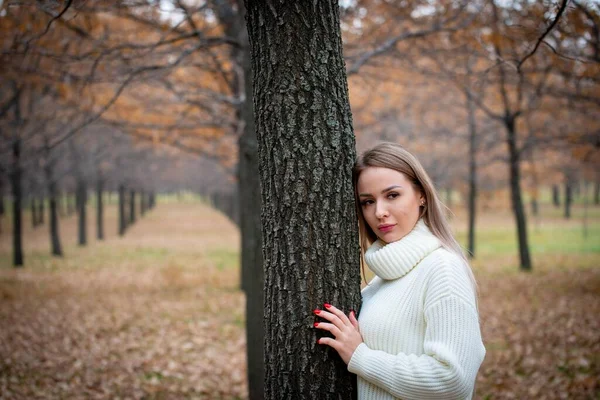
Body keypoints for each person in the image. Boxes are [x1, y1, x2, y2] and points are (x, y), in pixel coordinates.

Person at [313, 142, 485, 400]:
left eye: (392, 195)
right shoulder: (381, 280)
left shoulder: (443, 269)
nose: (379, 212)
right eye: (368, 202)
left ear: (421, 195)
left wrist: (360, 356)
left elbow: (452, 381)